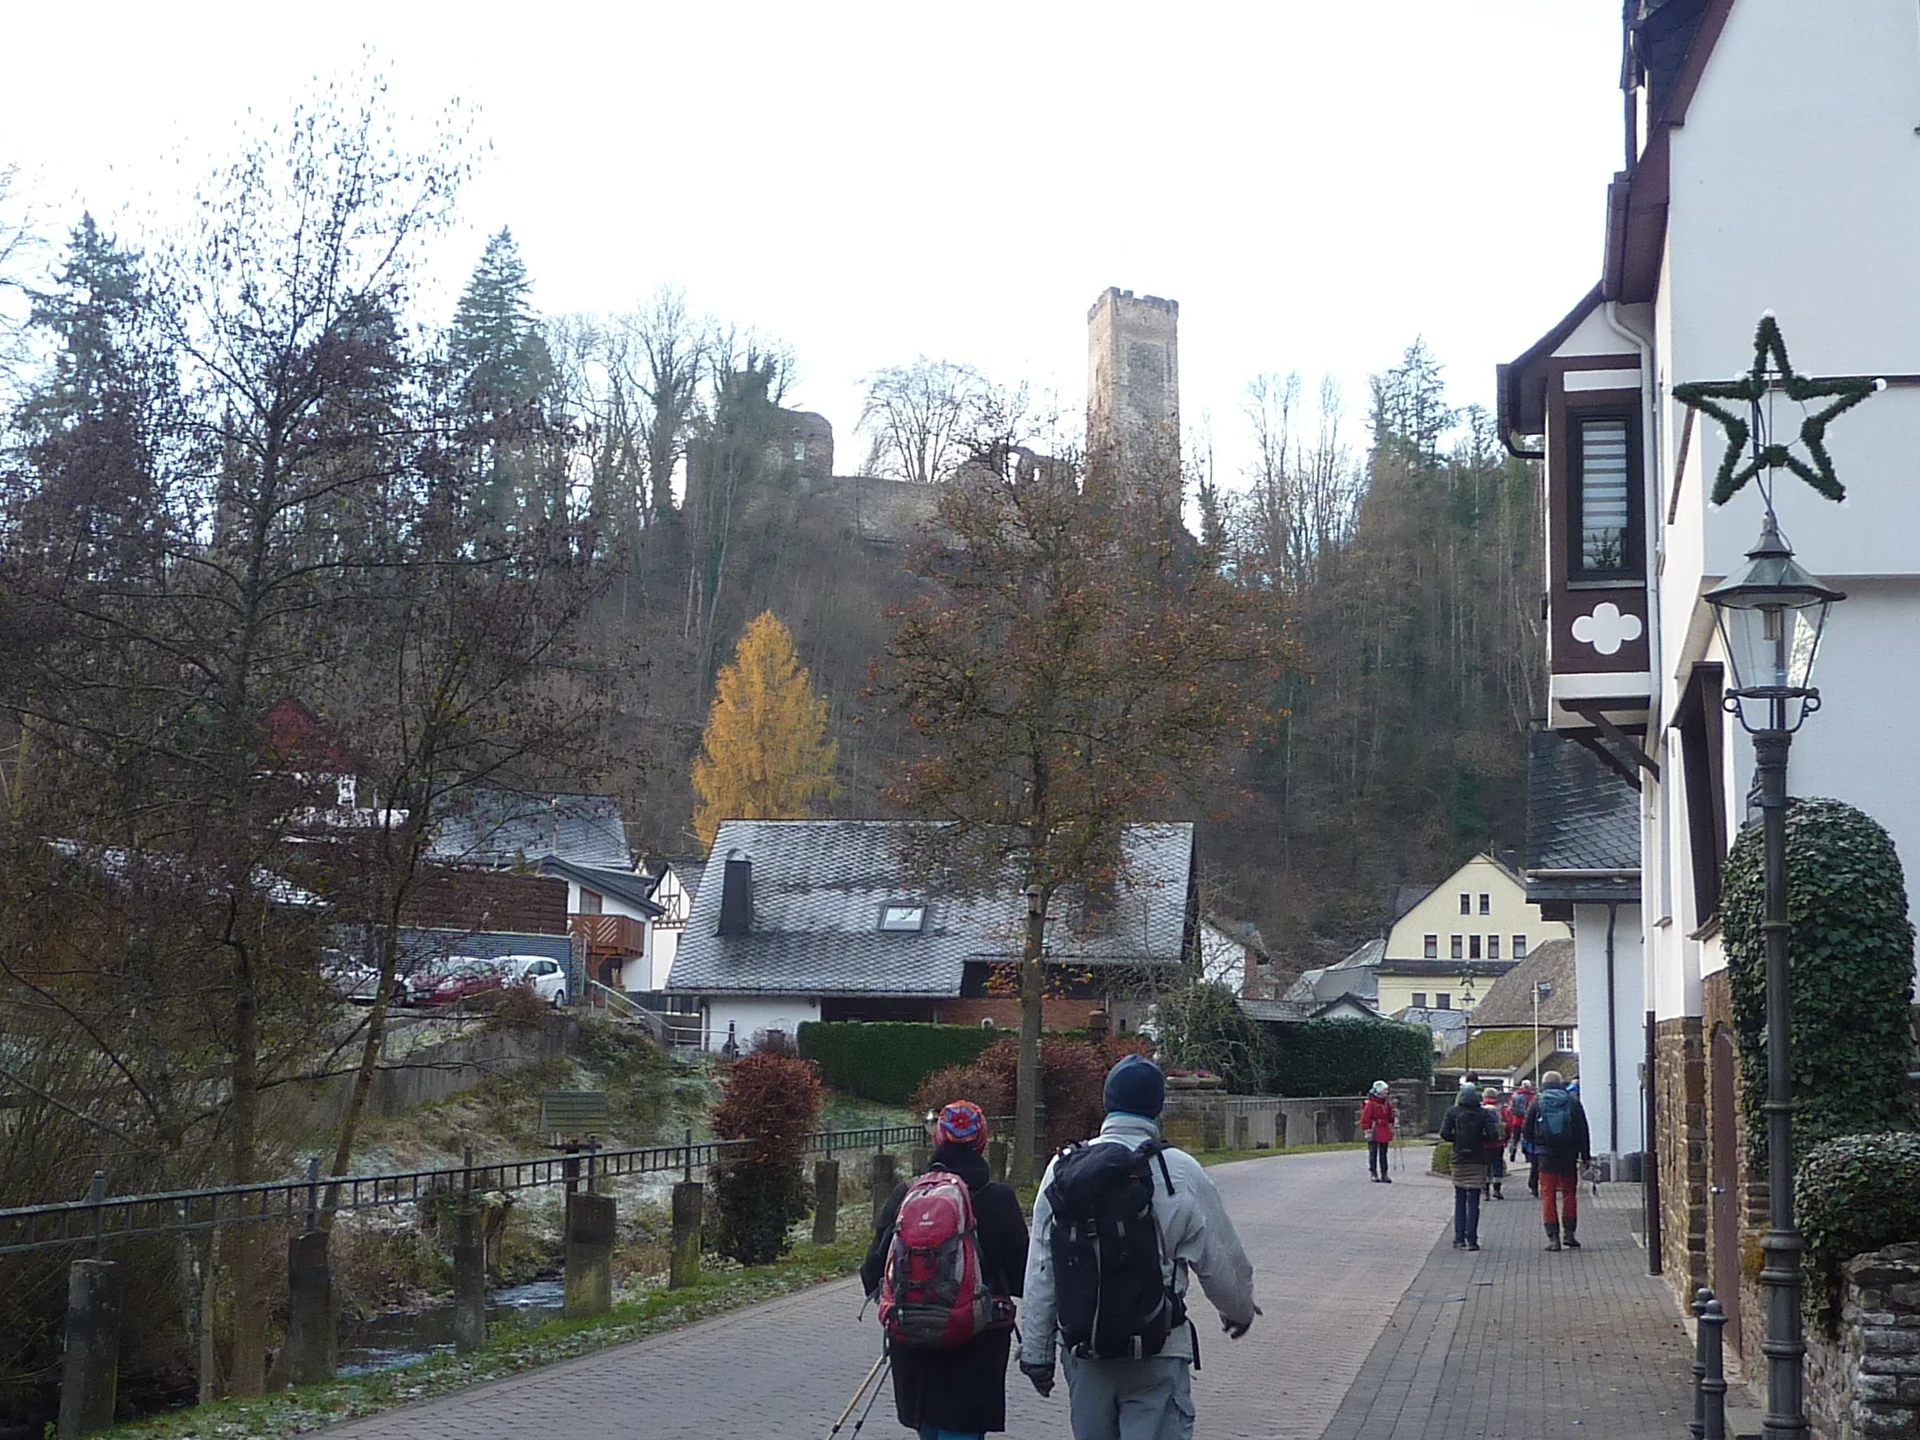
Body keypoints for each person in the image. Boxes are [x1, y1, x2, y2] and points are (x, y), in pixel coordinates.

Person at [1020, 1055, 1258, 1440]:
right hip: (1157, 1346)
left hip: (1086, 1351)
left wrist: (1036, 1352)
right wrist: (1239, 1309)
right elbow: (1222, 1258)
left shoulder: (1062, 1168)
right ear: (1158, 1106)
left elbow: (1042, 1268)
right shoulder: (1178, 1171)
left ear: (1106, 1102)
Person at [862, 1100, 1030, 1439]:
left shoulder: (907, 1195)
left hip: (914, 1346)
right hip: (975, 1347)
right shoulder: (999, 1198)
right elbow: (1021, 1277)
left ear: (938, 1138)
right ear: (981, 1141)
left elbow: (871, 1271)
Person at [1522, 1070, 1593, 1252]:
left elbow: (1526, 1129)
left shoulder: (1537, 1102)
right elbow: (1583, 1131)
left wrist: (1538, 1145)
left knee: (1548, 1194)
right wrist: (1585, 1156)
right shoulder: (1572, 1102)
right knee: (1569, 1193)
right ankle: (1569, 1234)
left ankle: (1553, 1238)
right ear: (1561, 1083)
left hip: (1546, 1156)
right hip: (1569, 1155)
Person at [1439, 1082, 1495, 1250]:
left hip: (1459, 1159)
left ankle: (1459, 1238)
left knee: (1460, 1198)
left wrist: (1456, 1140)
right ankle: (1472, 1239)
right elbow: (1493, 1135)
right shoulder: (1483, 1113)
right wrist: (1480, 1140)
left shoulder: (1453, 1112)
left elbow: (1444, 1133)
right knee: (1473, 1200)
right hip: (1478, 1159)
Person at [1360, 1080, 1396, 1183]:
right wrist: (1367, 1130)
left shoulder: (1386, 1103)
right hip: (1374, 1129)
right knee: (1373, 1152)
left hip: (1384, 1129)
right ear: (1379, 1091)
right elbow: (1365, 1118)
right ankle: (1373, 1173)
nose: (1387, 1092)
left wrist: (1393, 1121)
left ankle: (1384, 1174)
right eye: (1385, 1090)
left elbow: (1390, 1116)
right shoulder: (1371, 1104)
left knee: (1383, 1153)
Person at [1480, 1086, 1506, 1200]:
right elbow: (1507, 1125)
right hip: (1498, 1143)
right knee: (1497, 1165)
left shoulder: (1480, 1109)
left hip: (1484, 1143)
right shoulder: (1501, 1109)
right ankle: (1497, 1190)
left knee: (1485, 1166)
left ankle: (1485, 1191)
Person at [1505, 1080, 1534, 1161]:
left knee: (1515, 1138)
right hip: (1527, 1120)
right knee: (1526, 1138)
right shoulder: (1532, 1096)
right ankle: (1527, 1155)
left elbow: (1510, 1108)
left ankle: (1513, 1151)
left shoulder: (1515, 1095)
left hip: (1516, 1120)